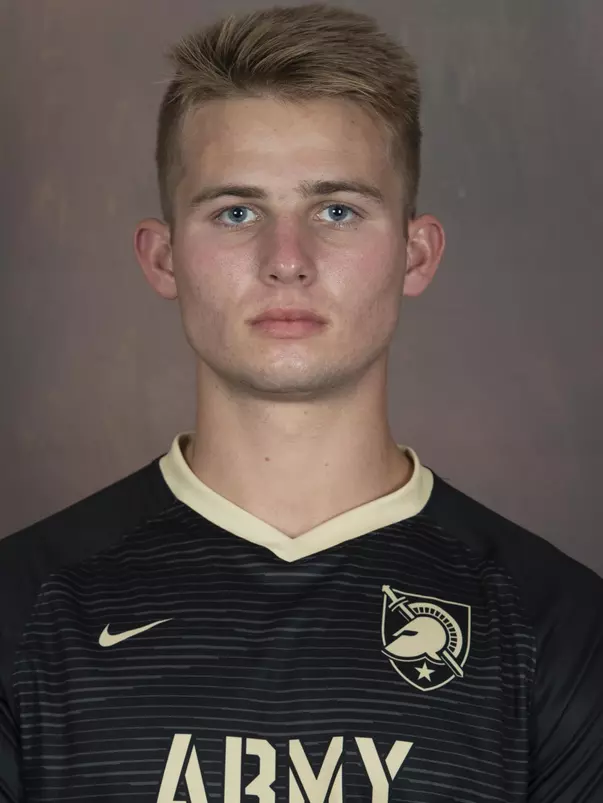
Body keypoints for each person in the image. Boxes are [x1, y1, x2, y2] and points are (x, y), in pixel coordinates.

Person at [1, 3, 602, 801]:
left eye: (337, 211)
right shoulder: (23, 608)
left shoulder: (556, 626)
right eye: (237, 212)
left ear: (414, 253)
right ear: (164, 256)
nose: (287, 260)